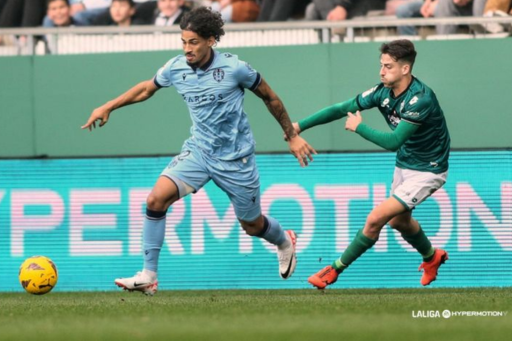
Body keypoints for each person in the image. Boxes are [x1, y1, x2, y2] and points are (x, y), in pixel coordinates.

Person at [81, 6, 316, 295]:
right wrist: (108, 107)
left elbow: (270, 97)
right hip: (199, 153)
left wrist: (292, 136)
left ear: (211, 40)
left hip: (236, 159)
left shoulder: (235, 68)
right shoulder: (175, 68)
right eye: (183, 42)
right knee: (155, 200)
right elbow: (146, 89)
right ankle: (148, 276)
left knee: (252, 226)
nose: (187, 49)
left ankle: (283, 240)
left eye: (193, 42)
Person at [293, 39, 450, 289]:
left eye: (388, 66)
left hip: (428, 168)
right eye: (381, 65)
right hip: (405, 163)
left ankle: (332, 271)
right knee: (399, 221)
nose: (382, 71)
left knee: (376, 219)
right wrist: (299, 126)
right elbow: (342, 108)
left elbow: (393, 141)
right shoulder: (382, 92)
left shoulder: (421, 99)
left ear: (405, 69)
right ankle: (432, 257)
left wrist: (359, 127)